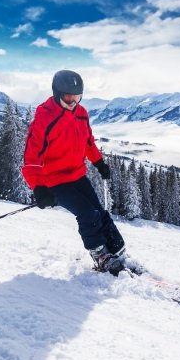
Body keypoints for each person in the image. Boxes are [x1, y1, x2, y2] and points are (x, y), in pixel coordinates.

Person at [22, 69, 128, 275]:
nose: (72, 103)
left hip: (77, 175)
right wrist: (39, 188)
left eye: (76, 98)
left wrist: (99, 162)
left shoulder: (81, 113)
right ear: (56, 93)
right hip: (55, 181)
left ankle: (117, 250)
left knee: (99, 211)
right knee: (87, 214)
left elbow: (87, 141)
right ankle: (101, 256)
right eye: (67, 98)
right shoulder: (45, 118)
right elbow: (31, 158)